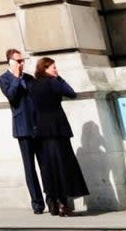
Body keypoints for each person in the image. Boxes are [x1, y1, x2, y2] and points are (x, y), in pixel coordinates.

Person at [29, 57, 90, 216]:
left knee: (50, 167)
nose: (56, 70)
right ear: (45, 69)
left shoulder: (33, 85)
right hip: (57, 128)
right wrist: (59, 78)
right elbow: (71, 93)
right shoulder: (53, 82)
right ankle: (64, 205)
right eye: (53, 68)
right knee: (63, 166)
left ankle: (54, 202)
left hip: (42, 130)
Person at [0, 48, 45, 214]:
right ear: (10, 62)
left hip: (38, 125)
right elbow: (11, 96)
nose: (22, 63)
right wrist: (16, 77)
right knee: (30, 168)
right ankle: (37, 203)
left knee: (45, 164)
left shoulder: (30, 78)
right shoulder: (4, 79)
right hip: (23, 127)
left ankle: (52, 197)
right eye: (18, 61)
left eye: (22, 61)